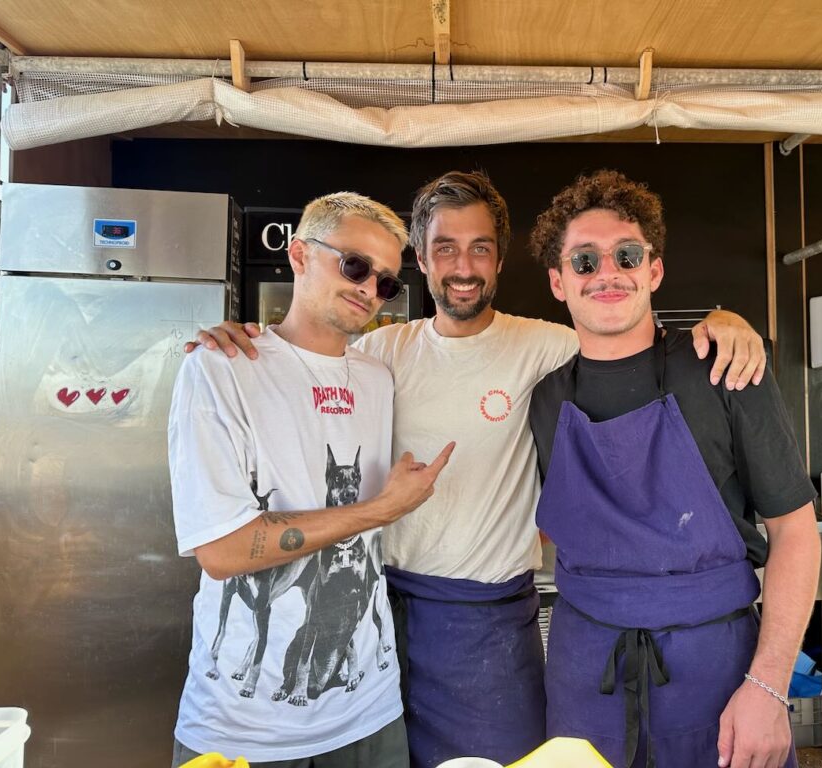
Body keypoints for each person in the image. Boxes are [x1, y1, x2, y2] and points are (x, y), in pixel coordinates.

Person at [192, 170, 768, 768]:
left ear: (499, 260)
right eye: (445, 247)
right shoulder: (376, 355)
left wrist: (724, 323)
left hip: (488, 627)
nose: (463, 266)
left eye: (480, 248)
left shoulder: (547, 347)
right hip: (374, 619)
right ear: (421, 258)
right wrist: (244, 343)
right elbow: (306, 355)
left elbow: (625, 328)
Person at [526, 169, 820, 768]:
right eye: (584, 261)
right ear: (558, 282)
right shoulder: (547, 399)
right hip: (586, 677)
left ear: (653, 270)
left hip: (716, 669)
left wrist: (768, 686)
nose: (607, 272)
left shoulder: (726, 368)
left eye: (626, 255)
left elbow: (796, 532)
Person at [168, 192, 453, 768]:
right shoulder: (219, 368)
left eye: (388, 284)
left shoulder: (377, 377)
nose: (370, 289)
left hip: (369, 712)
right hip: (247, 729)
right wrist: (380, 509)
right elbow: (221, 550)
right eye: (355, 265)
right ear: (298, 255)